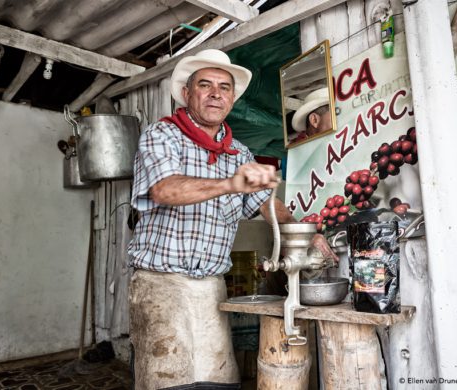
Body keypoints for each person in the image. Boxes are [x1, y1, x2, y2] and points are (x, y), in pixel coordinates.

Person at [127, 49, 337, 390]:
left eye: (224, 88)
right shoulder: (161, 135)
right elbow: (165, 190)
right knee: (167, 381)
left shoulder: (238, 152)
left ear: (232, 99)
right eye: (205, 85)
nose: (216, 94)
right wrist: (229, 184)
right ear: (186, 94)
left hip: (211, 287)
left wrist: (306, 234)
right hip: (160, 284)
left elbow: (267, 204)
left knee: (218, 383)